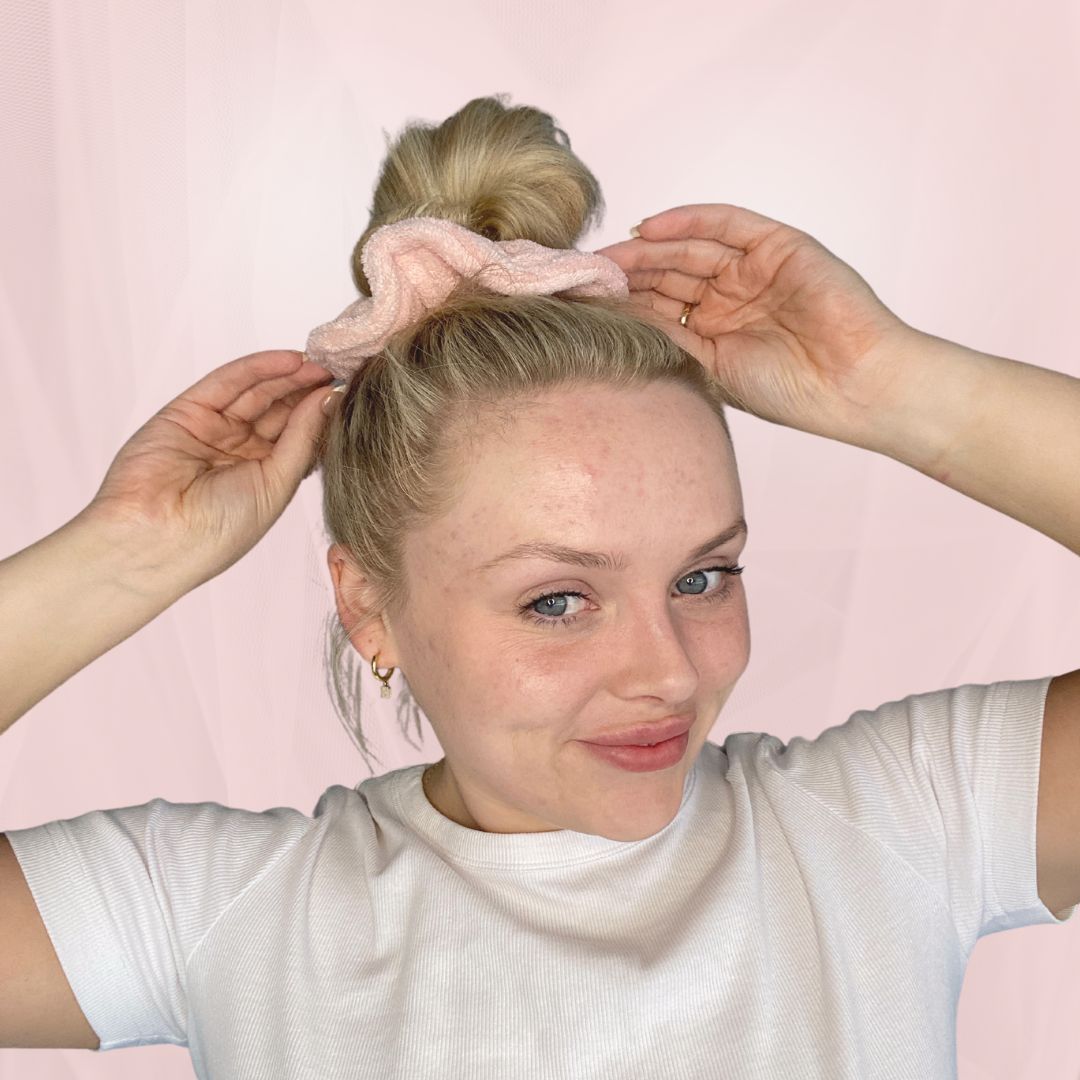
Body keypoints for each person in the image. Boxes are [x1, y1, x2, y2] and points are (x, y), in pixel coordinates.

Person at [1, 93, 1078, 1077]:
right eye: (557, 601)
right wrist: (125, 553)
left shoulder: (895, 827)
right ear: (368, 606)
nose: (666, 673)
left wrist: (898, 389)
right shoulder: (227, 914)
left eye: (703, 576)